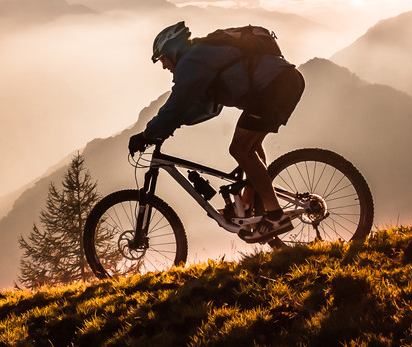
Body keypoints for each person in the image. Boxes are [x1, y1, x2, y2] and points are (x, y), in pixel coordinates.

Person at [127, 21, 305, 242]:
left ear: (172, 50)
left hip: (275, 87)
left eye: (163, 58)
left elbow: (177, 102)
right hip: (282, 83)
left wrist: (147, 134)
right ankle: (250, 205)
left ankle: (275, 216)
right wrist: (170, 125)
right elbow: (202, 108)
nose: (164, 66)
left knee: (240, 149)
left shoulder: (191, 61)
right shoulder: (202, 57)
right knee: (251, 147)